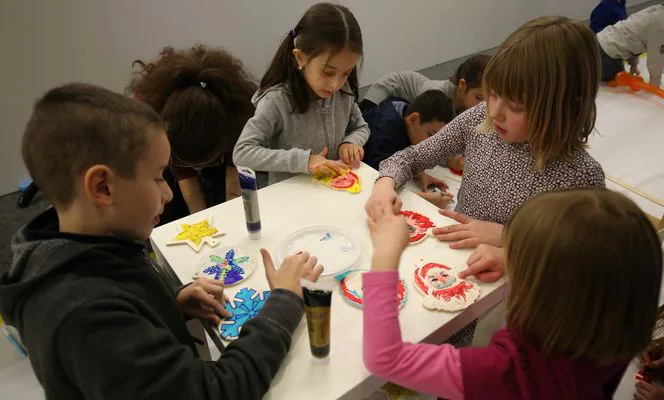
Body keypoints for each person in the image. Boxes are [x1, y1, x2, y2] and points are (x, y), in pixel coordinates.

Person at [0, 83, 323, 399]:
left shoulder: (86, 244)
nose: (168, 193)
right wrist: (283, 303)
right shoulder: (87, 320)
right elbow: (216, 391)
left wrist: (169, 303)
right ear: (102, 187)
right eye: (157, 177)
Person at [363, 188, 663, 399]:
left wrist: (386, 254)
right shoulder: (614, 336)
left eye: (520, 262)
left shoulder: (506, 373)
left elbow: (385, 359)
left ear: (544, 294)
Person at [233, 3, 369, 185]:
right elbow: (242, 152)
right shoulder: (277, 100)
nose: (335, 84)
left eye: (346, 73)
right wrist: (305, 161)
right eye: (328, 72)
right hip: (291, 194)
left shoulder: (344, 93)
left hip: (332, 190)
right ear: (300, 58)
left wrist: (351, 142)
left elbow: (361, 127)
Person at [129, 45, 257, 223]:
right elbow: (187, 180)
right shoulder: (148, 116)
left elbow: (235, 171)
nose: (198, 169)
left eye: (201, 164)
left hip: (223, 138)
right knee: (172, 211)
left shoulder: (238, 113)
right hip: (171, 145)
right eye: (194, 164)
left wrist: (232, 214)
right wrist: (201, 223)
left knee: (232, 206)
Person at [362, 90, 455, 208]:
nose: (434, 144)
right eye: (431, 135)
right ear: (413, 119)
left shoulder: (406, 113)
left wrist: (420, 175)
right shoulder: (383, 133)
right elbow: (379, 183)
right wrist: (425, 199)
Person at [359, 54, 491, 116]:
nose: (483, 106)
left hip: (413, 95)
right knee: (363, 123)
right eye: (479, 98)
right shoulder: (437, 97)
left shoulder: (468, 102)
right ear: (462, 85)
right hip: (391, 87)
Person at [596, 4, 664, 85]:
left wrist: (634, 64)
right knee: (619, 87)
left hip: (601, 41)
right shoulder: (661, 24)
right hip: (607, 52)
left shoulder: (655, 10)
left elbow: (636, 35)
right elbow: (655, 59)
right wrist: (655, 84)